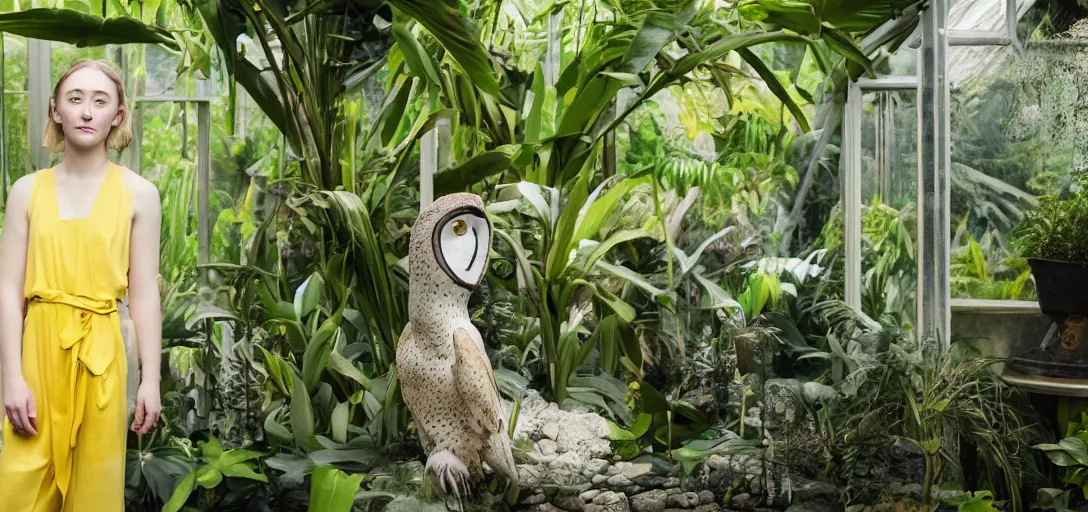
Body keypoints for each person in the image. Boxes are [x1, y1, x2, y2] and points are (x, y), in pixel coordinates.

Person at [0, 58, 163, 510]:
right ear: (56, 111)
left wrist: (151, 379)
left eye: (100, 101)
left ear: (118, 115)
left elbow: (145, 295)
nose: (87, 111)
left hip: (102, 359)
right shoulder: (26, 191)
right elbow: (7, 294)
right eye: (75, 99)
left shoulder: (139, 195)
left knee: (94, 493)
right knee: (20, 491)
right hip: (36, 358)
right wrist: (10, 379)